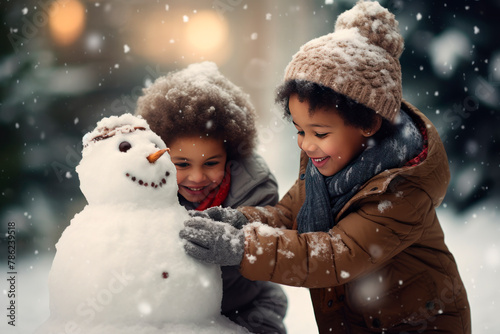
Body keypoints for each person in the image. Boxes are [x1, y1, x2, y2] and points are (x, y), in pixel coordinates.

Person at [179, 1, 471, 333]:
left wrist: (242, 246)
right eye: (300, 131)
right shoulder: (325, 170)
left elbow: (333, 255)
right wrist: (240, 219)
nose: (306, 144)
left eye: (319, 133)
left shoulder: (401, 192)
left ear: (368, 123)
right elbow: (288, 216)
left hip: (416, 325)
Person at [135, 61, 288, 334]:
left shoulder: (255, 191)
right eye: (181, 164)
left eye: (210, 163)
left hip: (245, 307)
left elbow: (266, 252)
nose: (196, 178)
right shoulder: (143, 186)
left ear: (231, 154)